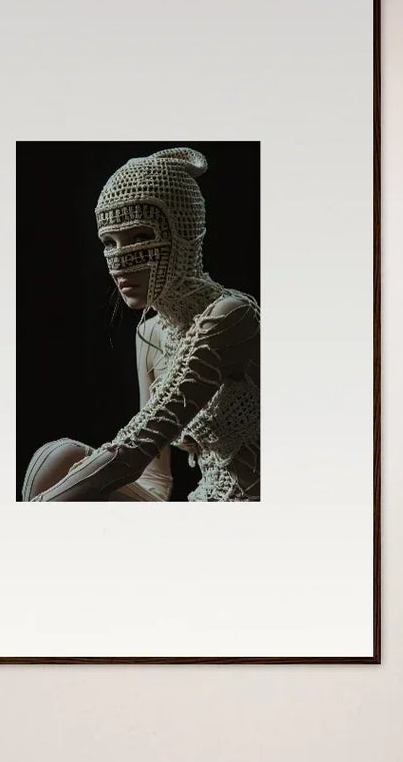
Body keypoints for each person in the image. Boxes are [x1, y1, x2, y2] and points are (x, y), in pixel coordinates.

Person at [23, 147, 260, 503]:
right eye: (109, 242)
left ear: (183, 234)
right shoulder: (149, 334)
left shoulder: (231, 315)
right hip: (199, 503)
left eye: (139, 238)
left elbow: (139, 443)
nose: (119, 261)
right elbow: (153, 473)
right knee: (59, 459)